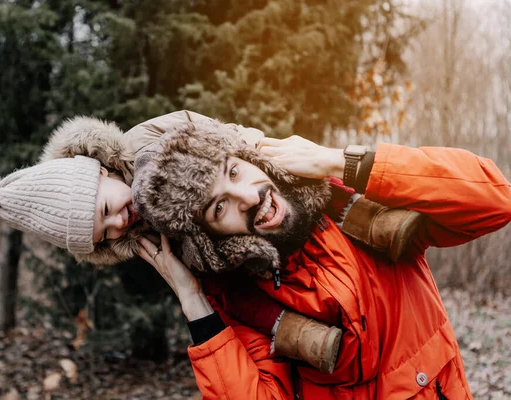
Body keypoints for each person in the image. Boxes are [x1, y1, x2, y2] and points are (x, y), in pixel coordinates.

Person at [0, 111, 423, 375]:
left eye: (106, 210)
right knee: (236, 299)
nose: (119, 222)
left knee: (303, 188)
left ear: (99, 171)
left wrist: (252, 145)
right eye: (105, 233)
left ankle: (369, 219)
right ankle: (297, 333)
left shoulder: (144, 142)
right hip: (224, 254)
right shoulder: (134, 236)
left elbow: (204, 129)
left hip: (244, 175)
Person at [131, 119, 511, 399]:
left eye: (233, 171)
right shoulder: (241, 297)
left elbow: (493, 202)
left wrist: (340, 162)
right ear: (210, 238)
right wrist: (195, 303)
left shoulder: (355, 200)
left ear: (253, 158)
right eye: (218, 207)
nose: (246, 196)